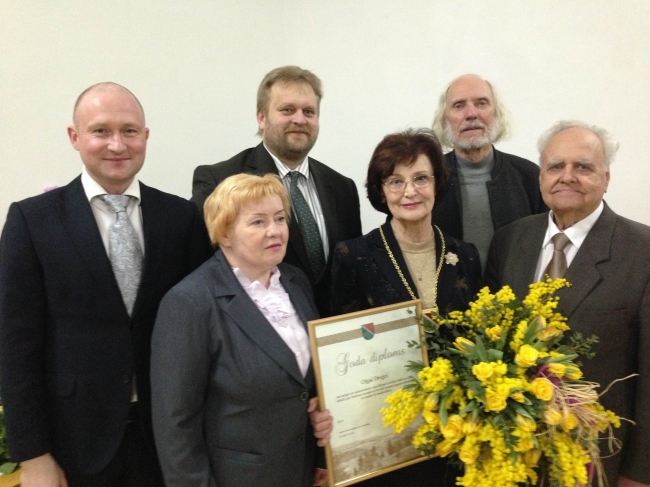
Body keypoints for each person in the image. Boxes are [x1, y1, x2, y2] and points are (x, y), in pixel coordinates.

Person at [0, 83, 213, 486]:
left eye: (129, 131)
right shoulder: (32, 222)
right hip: (74, 443)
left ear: (145, 136)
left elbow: (204, 329)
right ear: (75, 137)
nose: (117, 144)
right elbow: (15, 347)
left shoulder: (181, 218)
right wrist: (33, 454)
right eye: (101, 131)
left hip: (166, 438)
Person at [485, 120, 649, 487]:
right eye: (555, 166)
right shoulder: (509, 241)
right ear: (541, 177)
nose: (567, 176)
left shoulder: (642, 252)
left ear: (606, 178)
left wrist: (640, 473)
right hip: (513, 456)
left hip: (601, 458)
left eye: (583, 166)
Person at [151, 174, 330, 487]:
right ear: (224, 234)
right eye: (258, 222)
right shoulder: (190, 301)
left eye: (279, 219)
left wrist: (318, 415)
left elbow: (301, 382)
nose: (275, 231)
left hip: (300, 472)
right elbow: (175, 422)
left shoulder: (295, 282)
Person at [331, 129, 482, 486]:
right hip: (388, 431)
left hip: (458, 430)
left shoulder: (466, 254)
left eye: (420, 178)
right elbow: (342, 357)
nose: (409, 191)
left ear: (437, 183)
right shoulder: (353, 256)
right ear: (381, 191)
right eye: (395, 181)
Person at [190, 65, 362, 317]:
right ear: (261, 118)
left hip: (335, 333)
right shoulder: (219, 180)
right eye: (287, 110)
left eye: (309, 111)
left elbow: (351, 271)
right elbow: (206, 270)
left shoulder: (342, 188)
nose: (299, 120)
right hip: (257, 329)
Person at [431, 74, 547, 269]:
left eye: (481, 103)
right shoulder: (428, 179)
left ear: (497, 113)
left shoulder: (528, 176)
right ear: (444, 120)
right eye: (459, 105)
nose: (471, 114)